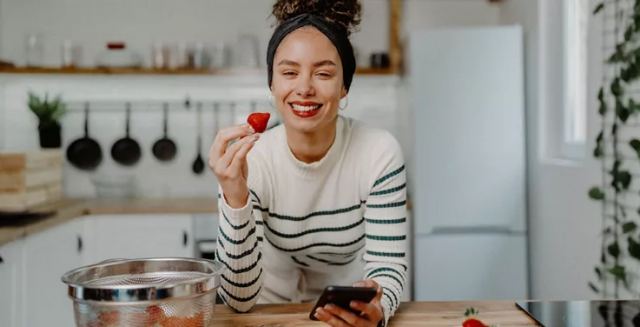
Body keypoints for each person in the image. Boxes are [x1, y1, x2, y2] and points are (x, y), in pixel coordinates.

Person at [209, 1, 407, 326]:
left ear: (344, 86)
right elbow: (238, 301)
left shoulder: (379, 153)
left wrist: (378, 307)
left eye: (324, 73)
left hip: (346, 309)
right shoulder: (251, 159)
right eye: (289, 72)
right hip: (267, 309)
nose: (304, 88)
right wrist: (235, 196)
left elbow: (387, 267)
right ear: (272, 84)